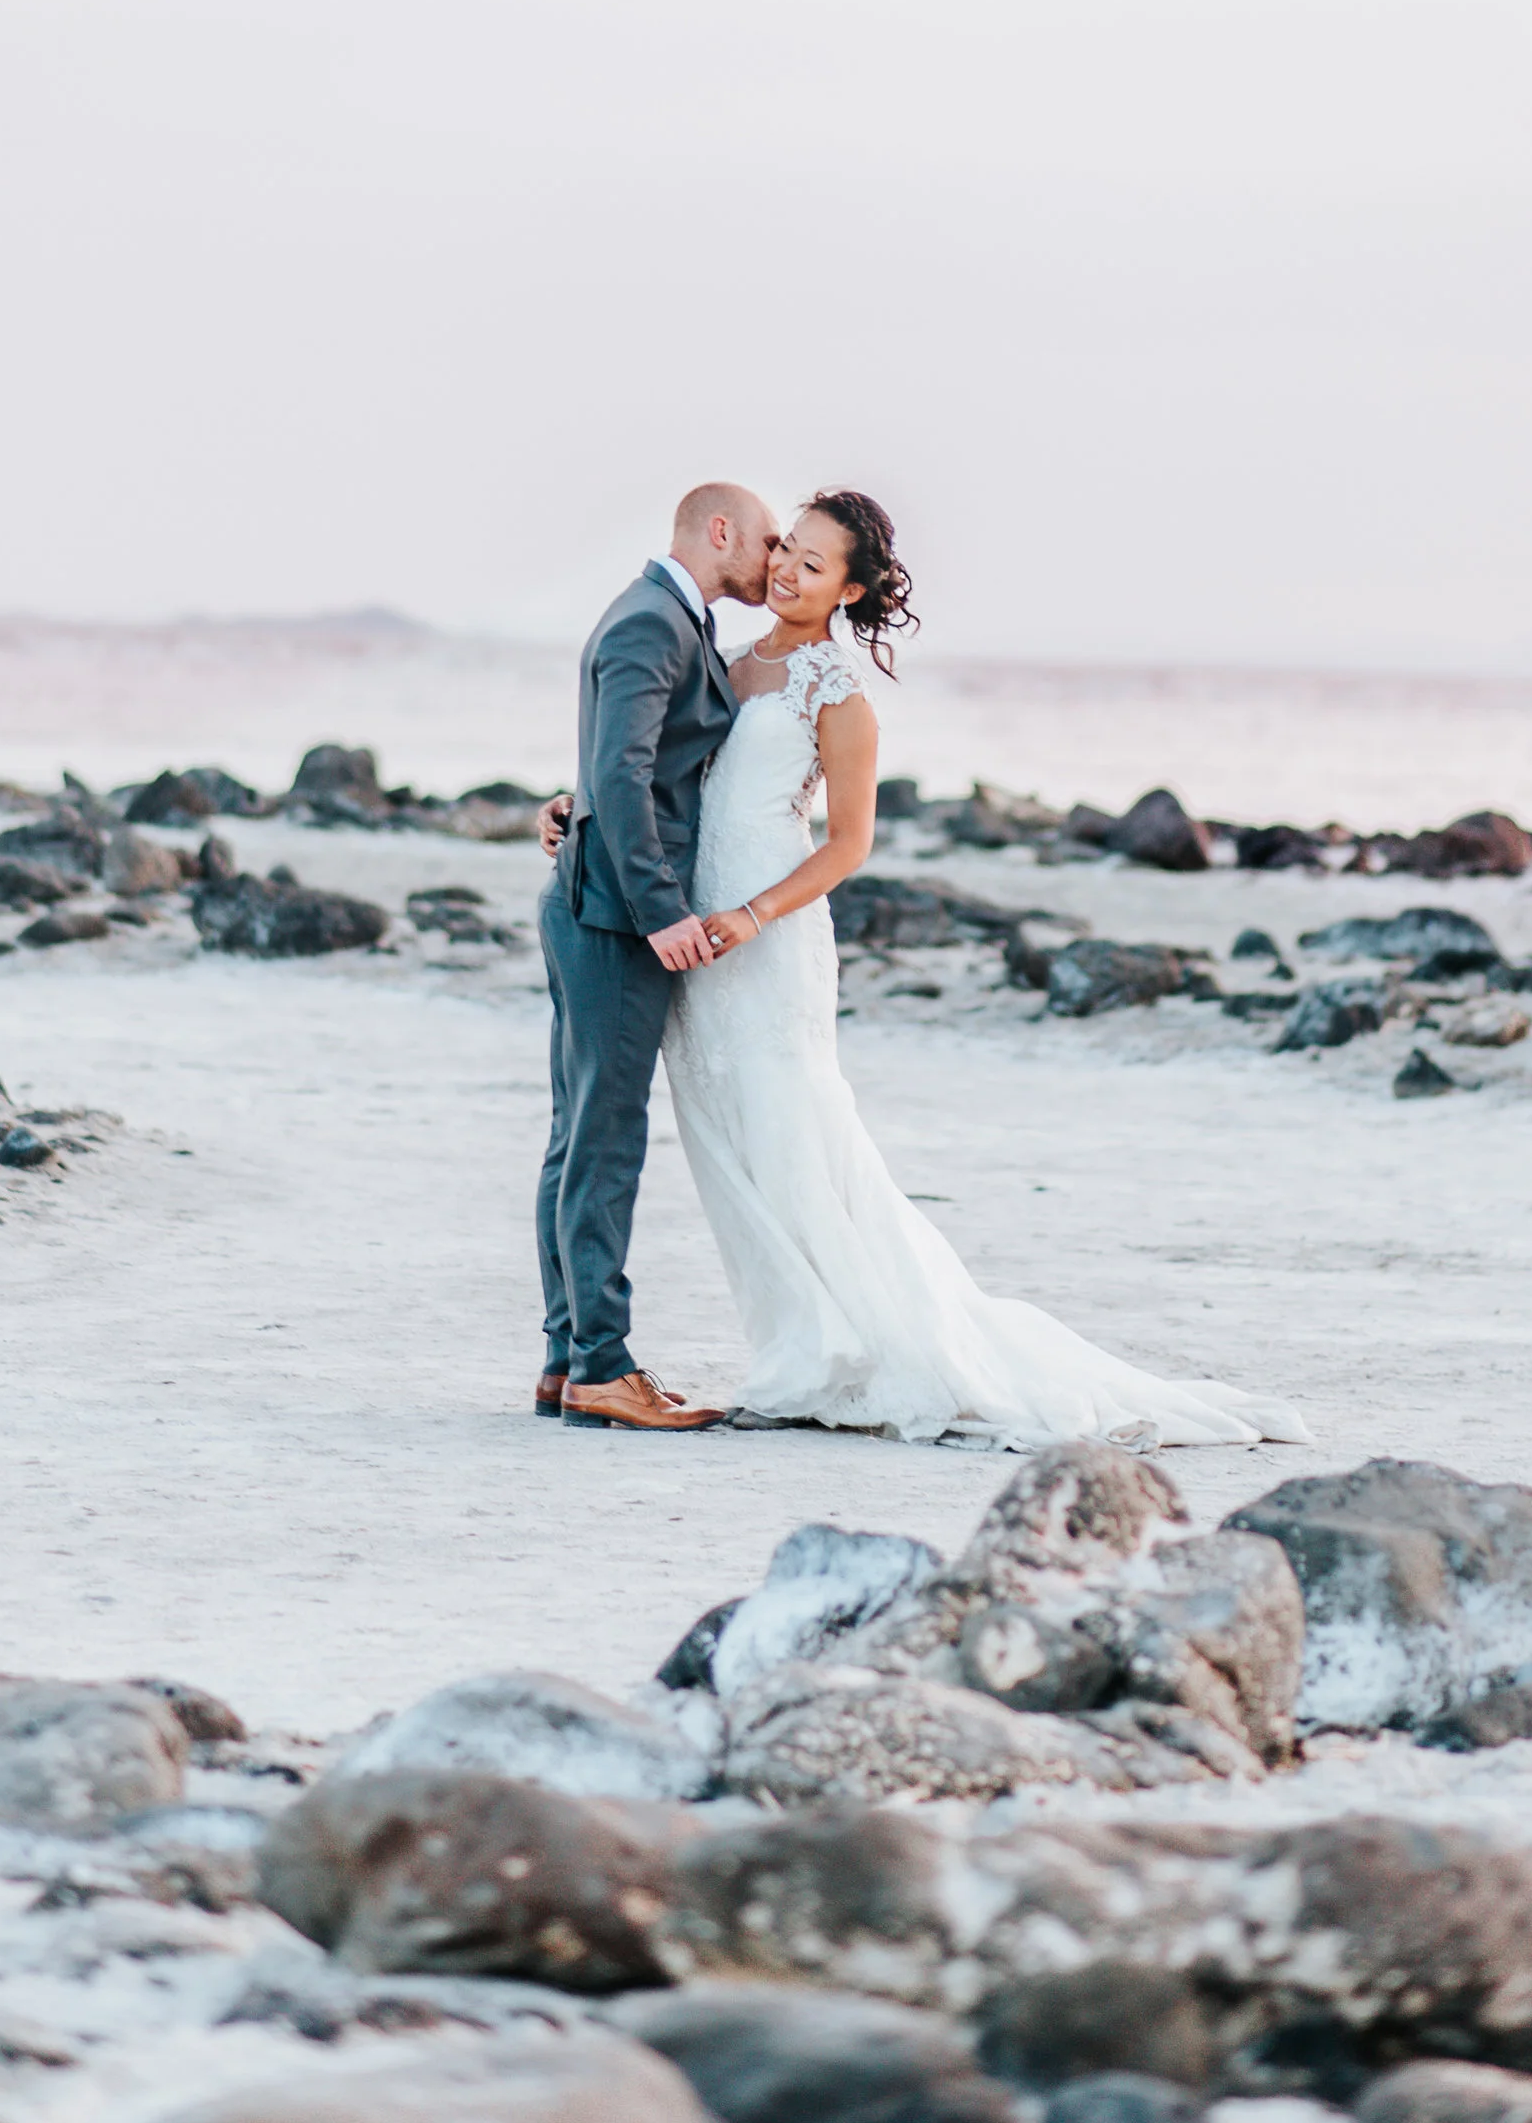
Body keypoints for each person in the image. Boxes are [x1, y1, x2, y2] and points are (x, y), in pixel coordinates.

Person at [658, 488, 1310, 1449]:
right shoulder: (726, 660)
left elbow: (849, 845)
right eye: (787, 547)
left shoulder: (838, 692)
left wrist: (753, 914)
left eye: (813, 563)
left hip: (768, 931)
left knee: (794, 1129)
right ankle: (797, 1341)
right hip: (698, 928)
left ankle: (831, 1356)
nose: (787, 568)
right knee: (727, 1137)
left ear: (848, 590)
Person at [533, 480, 780, 1431]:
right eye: (766, 539)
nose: (773, 557)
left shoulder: (667, 617)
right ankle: (601, 1362)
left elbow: (626, 761)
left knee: (580, 1136)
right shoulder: (652, 620)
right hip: (611, 919)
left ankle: (568, 1358)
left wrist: (572, 807)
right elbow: (623, 771)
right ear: (720, 531)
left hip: (594, 900)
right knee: (603, 1140)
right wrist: (662, 911)